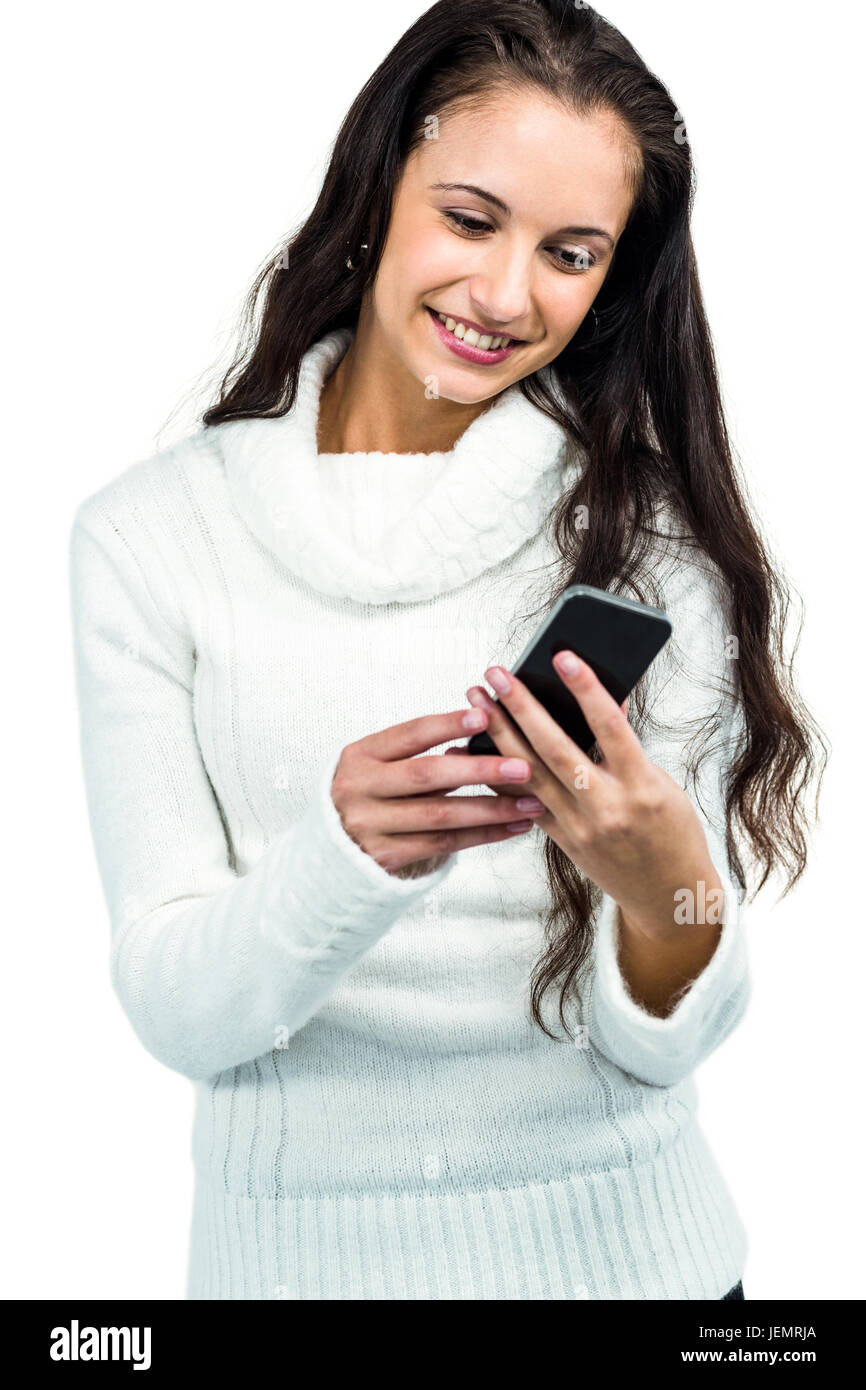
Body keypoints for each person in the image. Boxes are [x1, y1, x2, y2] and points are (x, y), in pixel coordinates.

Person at [68, 0, 824, 1300]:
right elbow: (178, 1014)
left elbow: (667, 1042)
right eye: (469, 219)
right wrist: (341, 857)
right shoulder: (150, 540)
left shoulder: (645, 548)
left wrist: (667, 889)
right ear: (375, 189)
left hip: (648, 1277)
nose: (504, 294)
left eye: (569, 253)